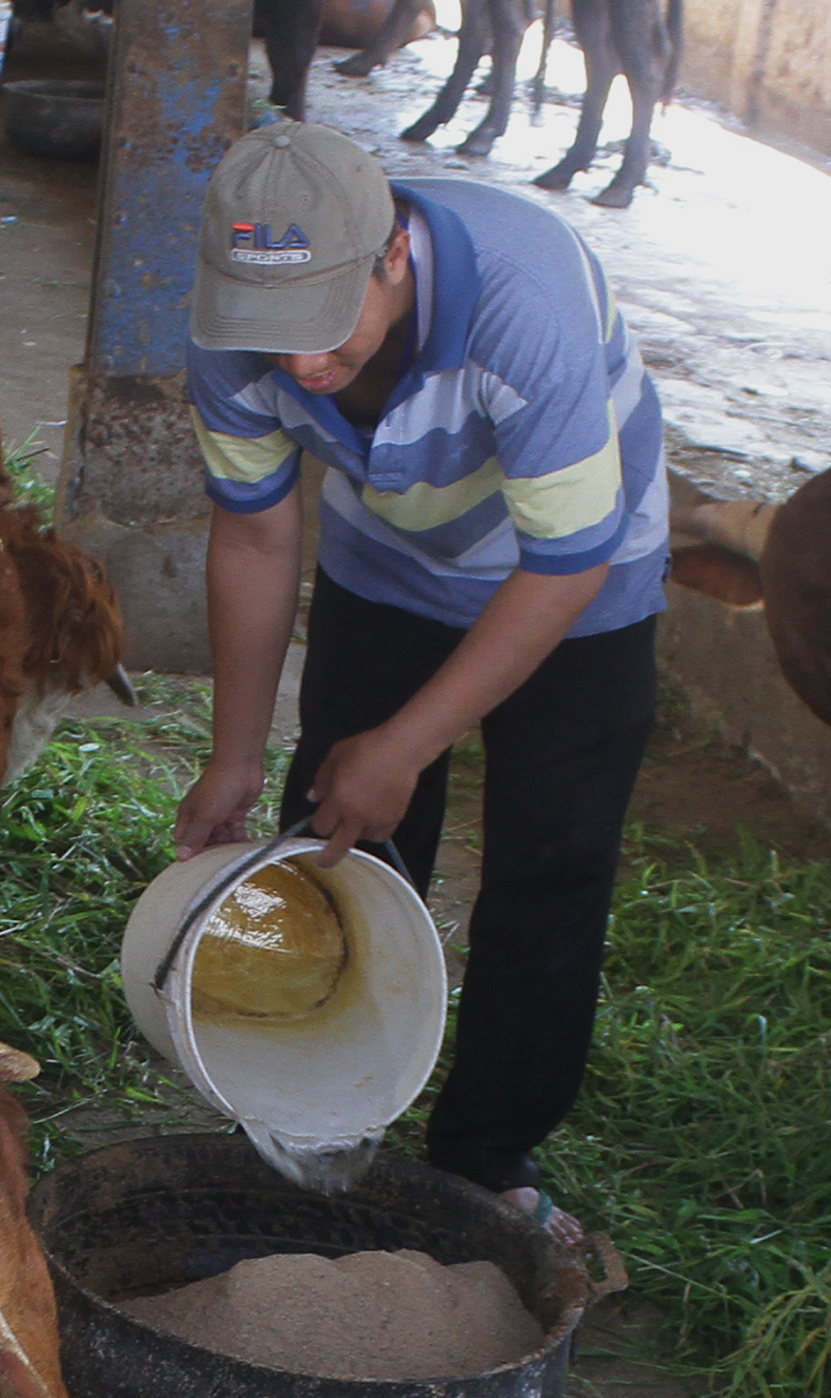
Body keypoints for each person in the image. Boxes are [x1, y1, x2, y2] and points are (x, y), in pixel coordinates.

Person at [171, 117, 668, 1242]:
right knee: (342, 830)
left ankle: (487, 1154)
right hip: (390, 563)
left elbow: (566, 562)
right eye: (270, 328)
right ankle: (325, 1102)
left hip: (582, 583)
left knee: (551, 860)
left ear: (391, 252)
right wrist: (235, 753)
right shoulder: (232, 334)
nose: (299, 361)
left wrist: (408, 742)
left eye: (324, 322)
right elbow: (253, 539)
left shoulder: (518, 301)